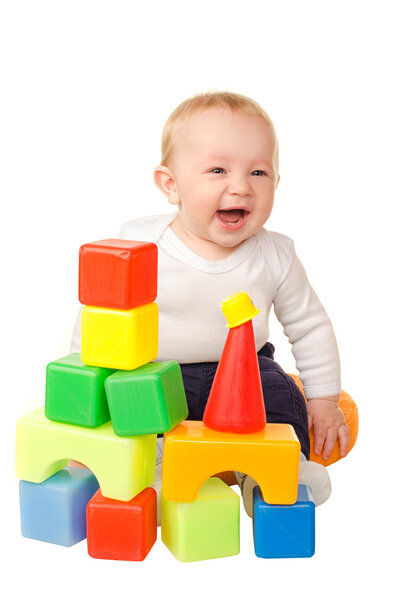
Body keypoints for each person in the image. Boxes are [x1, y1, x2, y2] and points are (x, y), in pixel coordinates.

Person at [71, 91, 350, 516]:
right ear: (171, 185)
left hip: (247, 370)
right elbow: (103, 316)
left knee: (281, 399)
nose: (240, 186)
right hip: (159, 372)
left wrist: (324, 402)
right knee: (134, 412)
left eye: (258, 172)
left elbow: (310, 327)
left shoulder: (276, 254)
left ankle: (277, 470)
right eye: (217, 169)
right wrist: (81, 392)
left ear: (276, 183)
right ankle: (158, 465)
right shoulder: (141, 244)